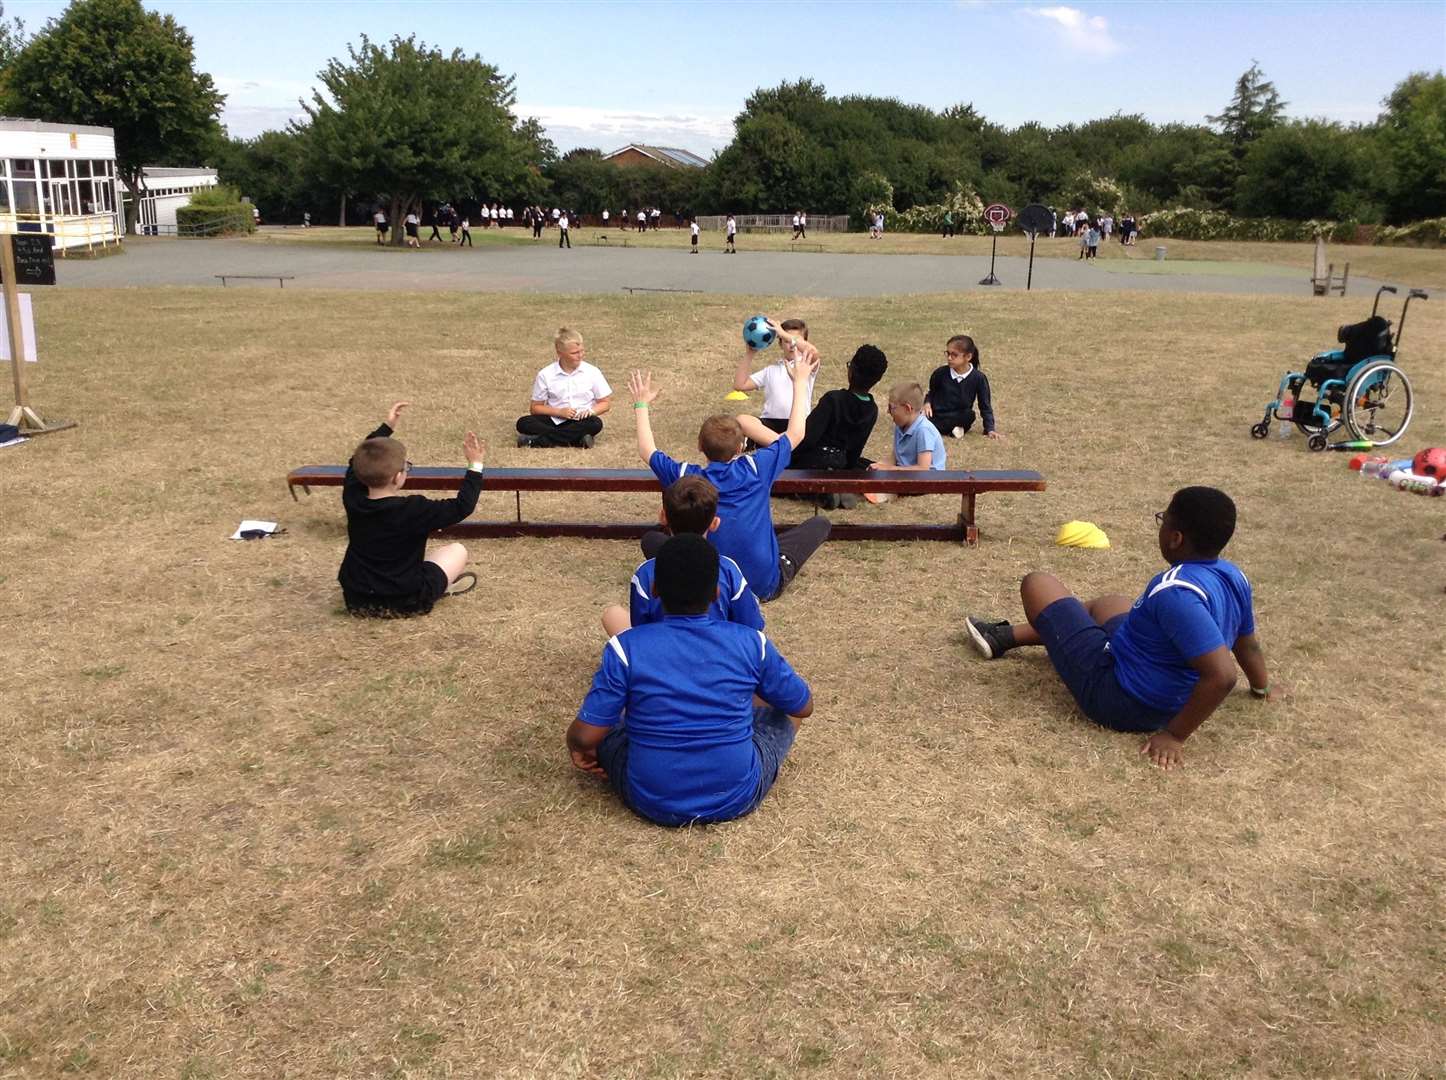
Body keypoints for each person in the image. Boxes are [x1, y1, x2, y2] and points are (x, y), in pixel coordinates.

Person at [965, 487, 1281, 770]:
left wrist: (1174, 736)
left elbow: (1223, 675)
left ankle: (1007, 636)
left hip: (1119, 696)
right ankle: (1003, 637)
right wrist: (1261, 686)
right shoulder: (1233, 576)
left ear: (1176, 538)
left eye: (1163, 520)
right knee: (1109, 603)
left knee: (1038, 584)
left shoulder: (1175, 592)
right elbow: (1246, 641)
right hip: (1163, 682)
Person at [566, 534, 813, 827]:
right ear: (716, 594)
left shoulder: (626, 648)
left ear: (655, 588)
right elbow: (803, 706)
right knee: (784, 708)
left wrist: (577, 745)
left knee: (606, 721)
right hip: (737, 794)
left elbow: (585, 736)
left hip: (649, 798)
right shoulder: (752, 643)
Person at [629, 336, 830, 603]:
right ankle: (766, 557)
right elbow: (796, 433)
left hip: (711, 585)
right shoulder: (757, 467)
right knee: (819, 523)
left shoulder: (688, 478)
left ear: (700, 445)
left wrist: (641, 404)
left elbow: (647, 450)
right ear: (741, 446)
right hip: (764, 585)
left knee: (652, 540)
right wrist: (801, 382)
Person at [337, 401, 485, 617]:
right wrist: (475, 465)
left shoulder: (353, 497)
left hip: (357, 600)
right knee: (456, 551)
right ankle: (438, 589)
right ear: (398, 477)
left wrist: (387, 427)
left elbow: (355, 461)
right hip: (407, 600)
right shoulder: (413, 509)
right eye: (406, 466)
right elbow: (462, 506)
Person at [600, 475, 764, 637]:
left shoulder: (646, 572)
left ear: (663, 517)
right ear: (715, 523)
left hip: (660, 656)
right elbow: (752, 628)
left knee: (612, 614)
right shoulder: (728, 569)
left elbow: (640, 631)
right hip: (720, 654)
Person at [736, 344, 888, 510]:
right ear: (877, 380)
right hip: (840, 463)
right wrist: (847, 472)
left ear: (851, 370)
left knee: (773, 477)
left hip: (814, 459)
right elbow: (856, 449)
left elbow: (807, 438)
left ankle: (820, 493)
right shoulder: (872, 409)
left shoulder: (833, 399)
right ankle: (839, 488)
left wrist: (785, 455)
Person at [516, 328, 611, 448]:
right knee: (524, 423)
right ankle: (577, 440)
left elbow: (605, 403)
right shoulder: (546, 374)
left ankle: (538, 441)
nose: (580, 356)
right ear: (560, 353)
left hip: (581, 421)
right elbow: (535, 408)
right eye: (574, 353)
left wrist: (591, 411)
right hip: (554, 419)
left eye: (582, 351)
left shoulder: (592, 372)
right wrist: (559, 412)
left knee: (595, 423)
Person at [731, 318, 818, 435]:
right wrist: (749, 354)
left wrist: (783, 334)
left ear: (804, 343)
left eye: (795, 341)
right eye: (786, 341)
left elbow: (812, 351)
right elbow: (739, 385)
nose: (792, 345)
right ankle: (781, 443)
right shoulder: (770, 370)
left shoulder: (807, 365)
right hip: (770, 424)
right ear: (780, 344)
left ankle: (780, 444)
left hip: (798, 423)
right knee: (741, 420)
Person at [864, 382, 945, 504]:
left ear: (907, 408)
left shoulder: (924, 430)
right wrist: (879, 465)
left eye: (892, 407)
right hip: (904, 472)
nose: (888, 411)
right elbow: (895, 456)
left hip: (926, 480)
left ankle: (884, 494)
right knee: (864, 466)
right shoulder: (900, 425)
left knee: (887, 479)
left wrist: (889, 469)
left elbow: (923, 469)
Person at [925, 334, 1002, 440]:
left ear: (968, 357)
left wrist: (990, 429)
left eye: (954, 355)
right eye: (947, 353)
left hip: (959, 416)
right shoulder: (940, 373)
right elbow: (932, 392)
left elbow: (985, 405)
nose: (949, 358)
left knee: (969, 415)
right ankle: (950, 430)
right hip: (938, 414)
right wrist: (927, 403)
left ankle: (938, 429)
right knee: (921, 418)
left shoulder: (978, 378)